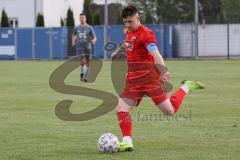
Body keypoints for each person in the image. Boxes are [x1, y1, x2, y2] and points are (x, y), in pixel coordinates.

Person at [111, 5, 205, 152]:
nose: (128, 25)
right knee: (121, 108)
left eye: (130, 21)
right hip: (133, 80)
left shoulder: (146, 34)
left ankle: (186, 86)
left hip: (150, 79)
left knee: (170, 111)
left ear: (138, 18)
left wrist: (163, 69)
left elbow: (155, 53)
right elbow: (127, 49)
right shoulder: (129, 33)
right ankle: (127, 141)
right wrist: (119, 54)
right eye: (125, 22)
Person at [72, 12, 97, 82]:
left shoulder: (89, 28)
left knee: (88, 63)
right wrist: (73, 41)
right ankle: (83, 75)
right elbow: (74, 35)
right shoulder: (76, 28)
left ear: (85, 18)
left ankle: (83, 75)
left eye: (83, 17)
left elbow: (94, 37)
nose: (81, 19)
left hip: (88, 47)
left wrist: (94, 40)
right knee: (83, 61)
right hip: (79, 47)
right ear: (79, 19)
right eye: (80, 17)